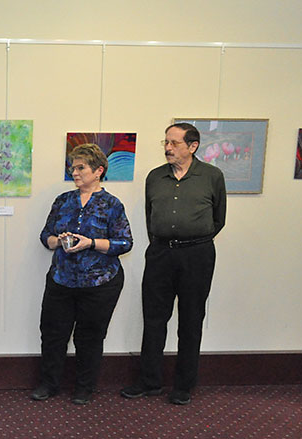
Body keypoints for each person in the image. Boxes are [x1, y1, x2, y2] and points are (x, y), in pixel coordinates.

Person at [121, 123, 226, 405]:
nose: (168, 148)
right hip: (160, 254)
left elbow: (219, 219)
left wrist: (191, 239)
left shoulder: (212, 176)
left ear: (192, 146)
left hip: (197, 255)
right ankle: (150, 381)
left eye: (174, 143)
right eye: (165, 142)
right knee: (154, 319)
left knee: (191, 321)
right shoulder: (155, 177)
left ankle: (184, 385)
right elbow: (149, 216)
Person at [31, 143, 133, 405]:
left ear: (98, 170)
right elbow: (45, 236)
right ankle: (49, 384)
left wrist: (90, 242)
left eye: (80, 167)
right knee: (53, 334)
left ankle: (84, 388)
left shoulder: (112, 204)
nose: (74, 172)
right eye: (72, 167)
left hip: (100, 282)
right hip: (61, 279)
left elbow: (125, 243)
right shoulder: (63, 201)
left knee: (89, 337)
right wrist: (57, 240)